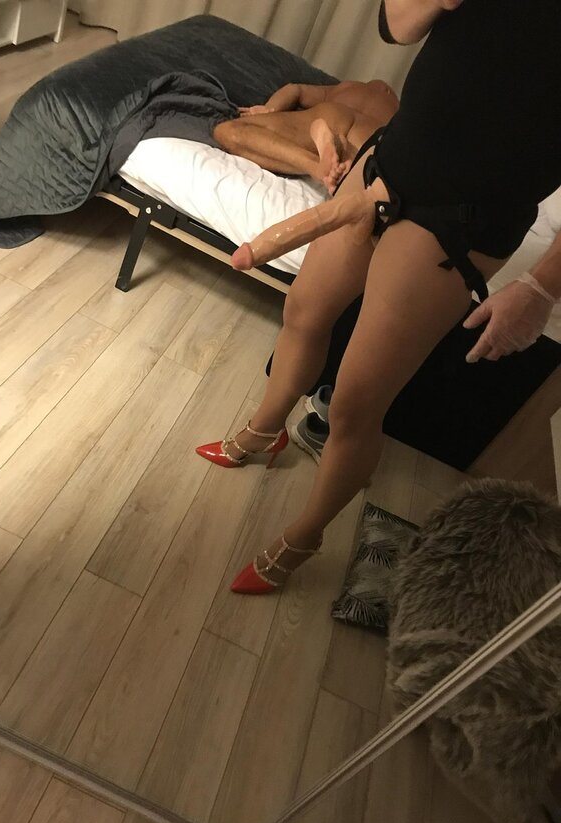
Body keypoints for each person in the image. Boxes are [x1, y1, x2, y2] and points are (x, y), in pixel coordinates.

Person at [196, 0, 561, 595]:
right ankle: (265, 431)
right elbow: (397, 26)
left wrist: (542, 287)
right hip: (390, 160)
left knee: (354, 405)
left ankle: (304, 537)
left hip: (464, 218)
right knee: (303, 313)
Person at [212, 79, 399, 193]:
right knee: (362, 185)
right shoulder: (398, 112)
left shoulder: (346, 88)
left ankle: (315, 164)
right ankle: (336, 157)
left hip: (331, 115)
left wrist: (269, 108)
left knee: (227, 131)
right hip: (372, 134)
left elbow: (295, 89)